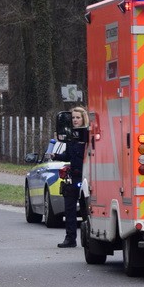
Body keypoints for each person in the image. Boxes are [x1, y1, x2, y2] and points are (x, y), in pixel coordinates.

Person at [54, 106, 89, 248]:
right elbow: (68, 155)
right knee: (69, 209)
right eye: (73, 118)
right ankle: (70, 238)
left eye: (78, 117)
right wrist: (56, 156)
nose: (75, 120)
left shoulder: (88, 136)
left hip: (86, 177)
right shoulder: (71, 137)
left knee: (87, 210)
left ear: (83, 118)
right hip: (73, 176)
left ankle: (89, 239)